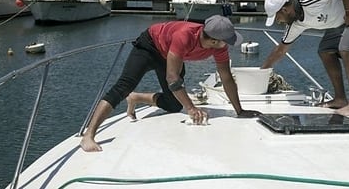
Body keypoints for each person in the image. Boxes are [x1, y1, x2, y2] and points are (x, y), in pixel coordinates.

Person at [81, 15, 262, 152]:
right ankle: (89, 135)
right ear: (214, 40)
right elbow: (173, 78)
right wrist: (191, 108)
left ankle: (135, 98)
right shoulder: (185, 36)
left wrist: (239, 111)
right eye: (227, 41)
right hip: (150, 45)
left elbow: (226, 77)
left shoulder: (219, 48)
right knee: (124, 85)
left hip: (170, 54)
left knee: (175, 105)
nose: (228, 45)